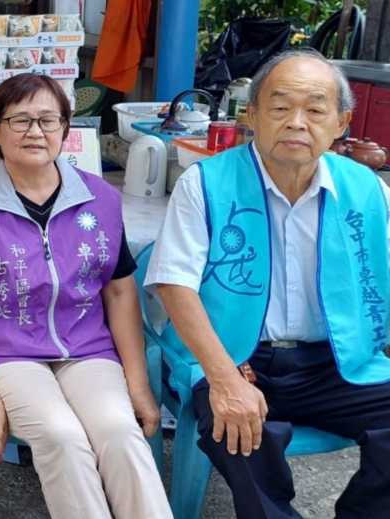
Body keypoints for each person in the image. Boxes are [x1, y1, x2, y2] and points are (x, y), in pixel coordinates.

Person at [147, 49, 390, 519]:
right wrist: (221, 378)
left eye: (316, 109)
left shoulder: (369, 191)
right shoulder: (205, 182)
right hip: (238, 358)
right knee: (242, 437)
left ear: (340, 122)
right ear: (252, 115)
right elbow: (175, 285)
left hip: (337, 359)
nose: (297, 122)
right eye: (280, 107)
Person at [0, 73, 170, 519]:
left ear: (66, 129)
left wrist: (137, 385)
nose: (35, 132)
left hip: (88, 349)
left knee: (119, 430)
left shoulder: (101, 199)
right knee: (61, 435)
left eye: (48, 119)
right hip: (10, 355)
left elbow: (120, 294)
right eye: (19, 120)